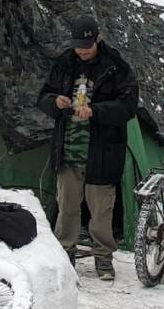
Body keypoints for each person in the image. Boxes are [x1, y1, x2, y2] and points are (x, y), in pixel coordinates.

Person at [37, 15, 138, 280]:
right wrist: (53, 101)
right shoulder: (63, 63)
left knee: (101, 212)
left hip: (102, 153)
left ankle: (103, 258)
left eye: (87, 45)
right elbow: (43, 96)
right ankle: (65, 253)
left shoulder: (116, 67)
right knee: (67, 207)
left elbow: (128, 106)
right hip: (68, 149)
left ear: (98, 38)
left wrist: (95, 111)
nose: (82, 50)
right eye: (78, 45)